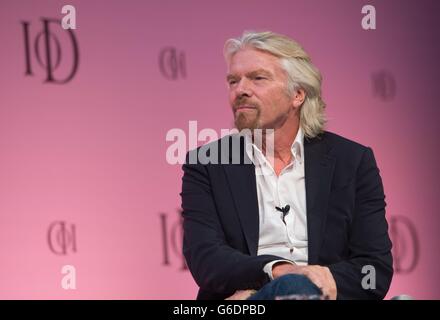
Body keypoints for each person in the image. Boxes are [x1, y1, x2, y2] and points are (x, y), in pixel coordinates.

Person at [180, 31, 393, 300]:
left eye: (257, 78)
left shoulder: (351, 161)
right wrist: (278, 271)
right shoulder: (208, 163)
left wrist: (328, 279)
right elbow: (206, 259)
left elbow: (375, 269)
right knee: (292, 287)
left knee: (298, 290)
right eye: (233, 81)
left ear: (298, 95)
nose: (240, 90)